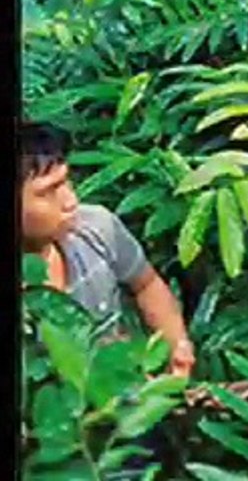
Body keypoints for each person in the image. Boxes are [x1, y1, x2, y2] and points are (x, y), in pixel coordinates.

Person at [20, 121, 196, 375]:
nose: (71, 201)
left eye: (65, 182)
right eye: (49, 192)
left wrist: (176, 346)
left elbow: (147, 284)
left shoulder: (97, 228)